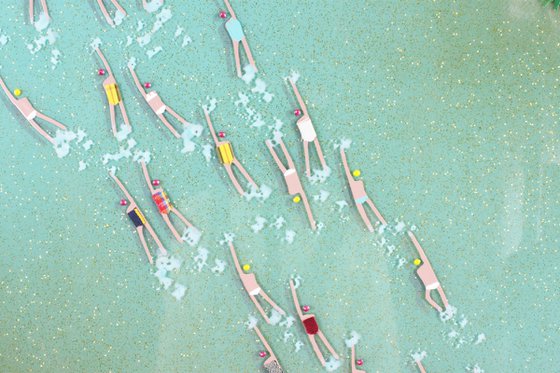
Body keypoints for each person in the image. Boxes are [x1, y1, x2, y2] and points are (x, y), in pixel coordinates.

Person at [109, 172, 167, 264]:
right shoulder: (132, 204)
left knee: (150, 234)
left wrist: (115, 177)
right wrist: (114, 177)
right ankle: (151, 257)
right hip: (136, 216)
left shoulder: (132, 202)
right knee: (144, 236)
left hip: (138, 215)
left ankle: (157, 252)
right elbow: (125, 191)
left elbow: (125, 192)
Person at [265, 138, 316, 230]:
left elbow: (300, 196)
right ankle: (276, 141)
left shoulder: (296, 191)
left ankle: (273, 143)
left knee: (281, 161)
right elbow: (302, 196)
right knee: (284, 159)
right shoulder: (298, 191)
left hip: (291, 178)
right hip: (292, 178)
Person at [128, 64, 190, 138]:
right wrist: (132, 71)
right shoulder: (147, 96)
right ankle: (184, 124)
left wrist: (132, 70)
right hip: (162, 106)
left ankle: (177, 133)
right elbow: (138, 85)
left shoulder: (146, 96)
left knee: (167, 122)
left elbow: (138, 85)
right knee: (172, 117)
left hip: (159, 108)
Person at [204, 109, 257, 195]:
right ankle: (247, 191)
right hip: (226, 157)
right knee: (234, 175)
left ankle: (248, 190)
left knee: (236, 174)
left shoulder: (222, 144)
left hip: (227, 157)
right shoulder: (222, 145)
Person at [0, 76, 67, 145]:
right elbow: (6, 91)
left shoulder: (15, 102)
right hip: (30, 115)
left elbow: (6, 91)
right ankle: (60, 132)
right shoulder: (15, 102)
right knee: (42, 127)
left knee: (42, 127)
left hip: (31, 113)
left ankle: (62, 131)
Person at [140, 160, 196, 243]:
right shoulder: (157, 190)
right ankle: (186, 233)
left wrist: (143, 165)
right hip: (167, 206)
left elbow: (148, 182)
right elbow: (149, 182)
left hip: (164, 208)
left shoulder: (154, 191)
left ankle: (181, 238)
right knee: (178, 219)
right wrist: (143, 165)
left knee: (172, 223)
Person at [229, 243, 285, 323]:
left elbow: (237, 264)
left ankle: (269, 317)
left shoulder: (242, 275)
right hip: (254, 289)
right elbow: (237, 265)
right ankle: (272, 315)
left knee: (261, 305)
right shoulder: (242, 275)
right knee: (265, 303)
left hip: (254, 289)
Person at [289, 279, 339, 366]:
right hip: (311, 328)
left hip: (312, 327)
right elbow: (296, 305)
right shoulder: (303, 316)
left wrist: (292, 287)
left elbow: (297, 305)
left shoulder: (303, 316)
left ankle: (329, 358)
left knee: (318, 344)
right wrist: (292, 287)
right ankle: (327, 359)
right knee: (319, 344)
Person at [340, 147, 387, 231]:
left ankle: (377, 225)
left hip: (361, 198)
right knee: (370, 212)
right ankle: (380, 224)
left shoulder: (353, 182)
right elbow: (346, 170)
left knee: (368, 214)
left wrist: (343, 154)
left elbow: (347, 171)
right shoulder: (353, 182)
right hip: (361, 198)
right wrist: (343, 155)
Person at [288, 79, 327, 176]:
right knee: (311, 156)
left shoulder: (305, 115)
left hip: (308, 134)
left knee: (310, 155)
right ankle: (318, 170)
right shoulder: (305, 115)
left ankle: (319, 170)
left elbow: (301, 102)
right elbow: (301, 102)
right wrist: (293, 85)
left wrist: (294, 86)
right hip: (307, 134)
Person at [408, 231, 449, 312]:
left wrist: (412, 237)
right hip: (431, 284)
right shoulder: (423, 266)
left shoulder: (422, 267)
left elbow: (420, 250)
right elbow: (420, 251)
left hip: (430, 284)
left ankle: (441, 308)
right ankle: (443, 308)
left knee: (429, 297)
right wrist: (412, 237)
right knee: (434, 296)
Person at [95, 47, 131, 137]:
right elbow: (107, 65)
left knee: (115, 113)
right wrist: (98, 51)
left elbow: (106, 65)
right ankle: (121, 129)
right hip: (114, 95)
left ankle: (118, 130)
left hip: (113, 95)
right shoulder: (111, 76)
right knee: (118, 111)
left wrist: (99, 51)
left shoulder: (110, 77)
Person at [222, 0, 258, 77]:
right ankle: (250, 68)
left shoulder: (227, 24)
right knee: (246, 52)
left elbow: (229, 8)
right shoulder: (232, 19)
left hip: (236, 37)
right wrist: (226, 2)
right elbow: (230, 8)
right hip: (239, 36)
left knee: (237, 55)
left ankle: (240, 71)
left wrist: (226, 2)